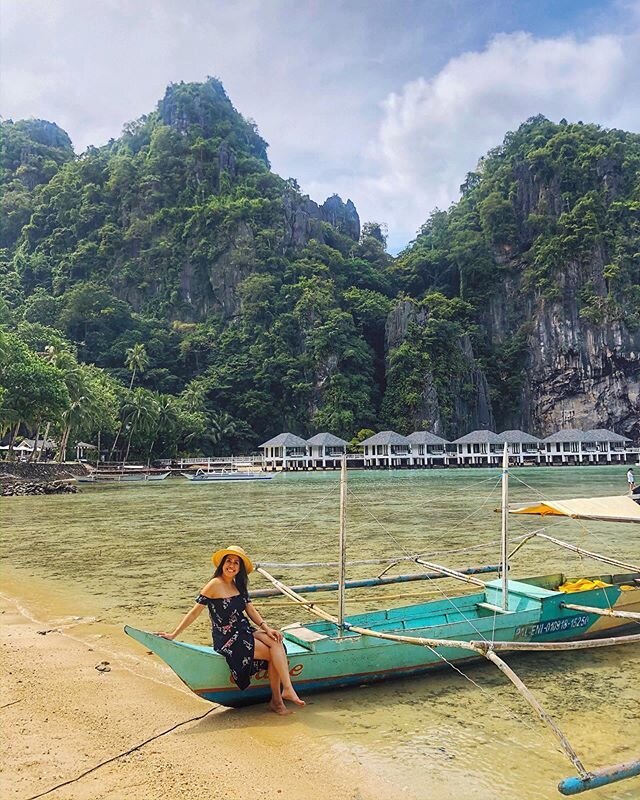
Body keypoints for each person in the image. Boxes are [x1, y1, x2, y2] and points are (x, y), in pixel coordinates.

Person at [158, 545, 304, 715]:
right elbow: (194, 612)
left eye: (236, 563)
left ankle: (283, 694)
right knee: (274, 653)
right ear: (222, 564)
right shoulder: (214, 584)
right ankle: (280, 698)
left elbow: (250, 610)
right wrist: (174, 634)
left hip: (244, 630)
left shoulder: (239, 585)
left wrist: (266, 628)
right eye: (229, 561)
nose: (232, 565)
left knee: (277, 641)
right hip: (227, 638)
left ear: (240, 568)